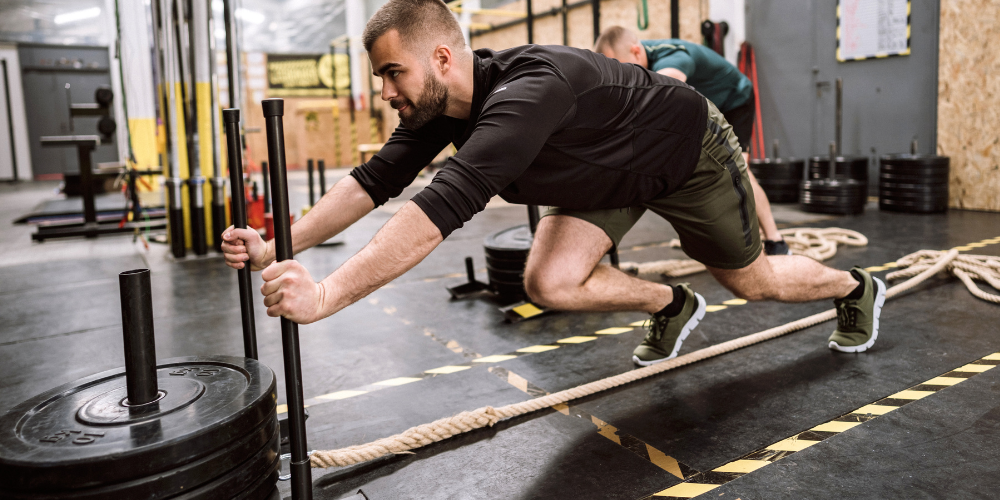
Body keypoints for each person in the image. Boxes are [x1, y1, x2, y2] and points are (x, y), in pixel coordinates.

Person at [221, 0, 885, 367]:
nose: (386, 90)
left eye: (393, 73)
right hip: (611, 175)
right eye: (382, 78)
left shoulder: (527, 93)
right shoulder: (441, 106)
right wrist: (279, 243)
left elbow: (437, 210)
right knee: (549, 282)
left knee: (753, 281)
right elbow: (370, 184)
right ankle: (669, 304)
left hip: (686, 151)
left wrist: (327, 295)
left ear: (442, 58)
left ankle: (859, 288)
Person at [594, 26, 790, 256]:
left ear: (636, 51)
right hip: (708, 107)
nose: (623, 76)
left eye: (622, 67)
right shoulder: (642, 58)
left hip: (734, 101)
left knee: (741, 170)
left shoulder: (671, 56)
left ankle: (776, 241)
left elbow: (667, 86)